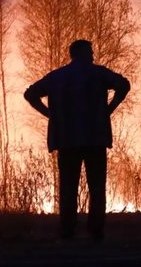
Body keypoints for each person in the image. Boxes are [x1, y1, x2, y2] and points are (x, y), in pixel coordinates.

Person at [23, 39, 130, 241]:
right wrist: (109, 109)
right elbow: (124, 85)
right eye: (90, 51)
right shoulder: (98, 74)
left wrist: (50, 114)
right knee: (97, 187)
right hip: (95, 138)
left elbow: (30, 94)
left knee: (68, 187)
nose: (92, 55)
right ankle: (95, 231)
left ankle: (67, 230)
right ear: (83, 53)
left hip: (67, 139)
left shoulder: (57, 77)